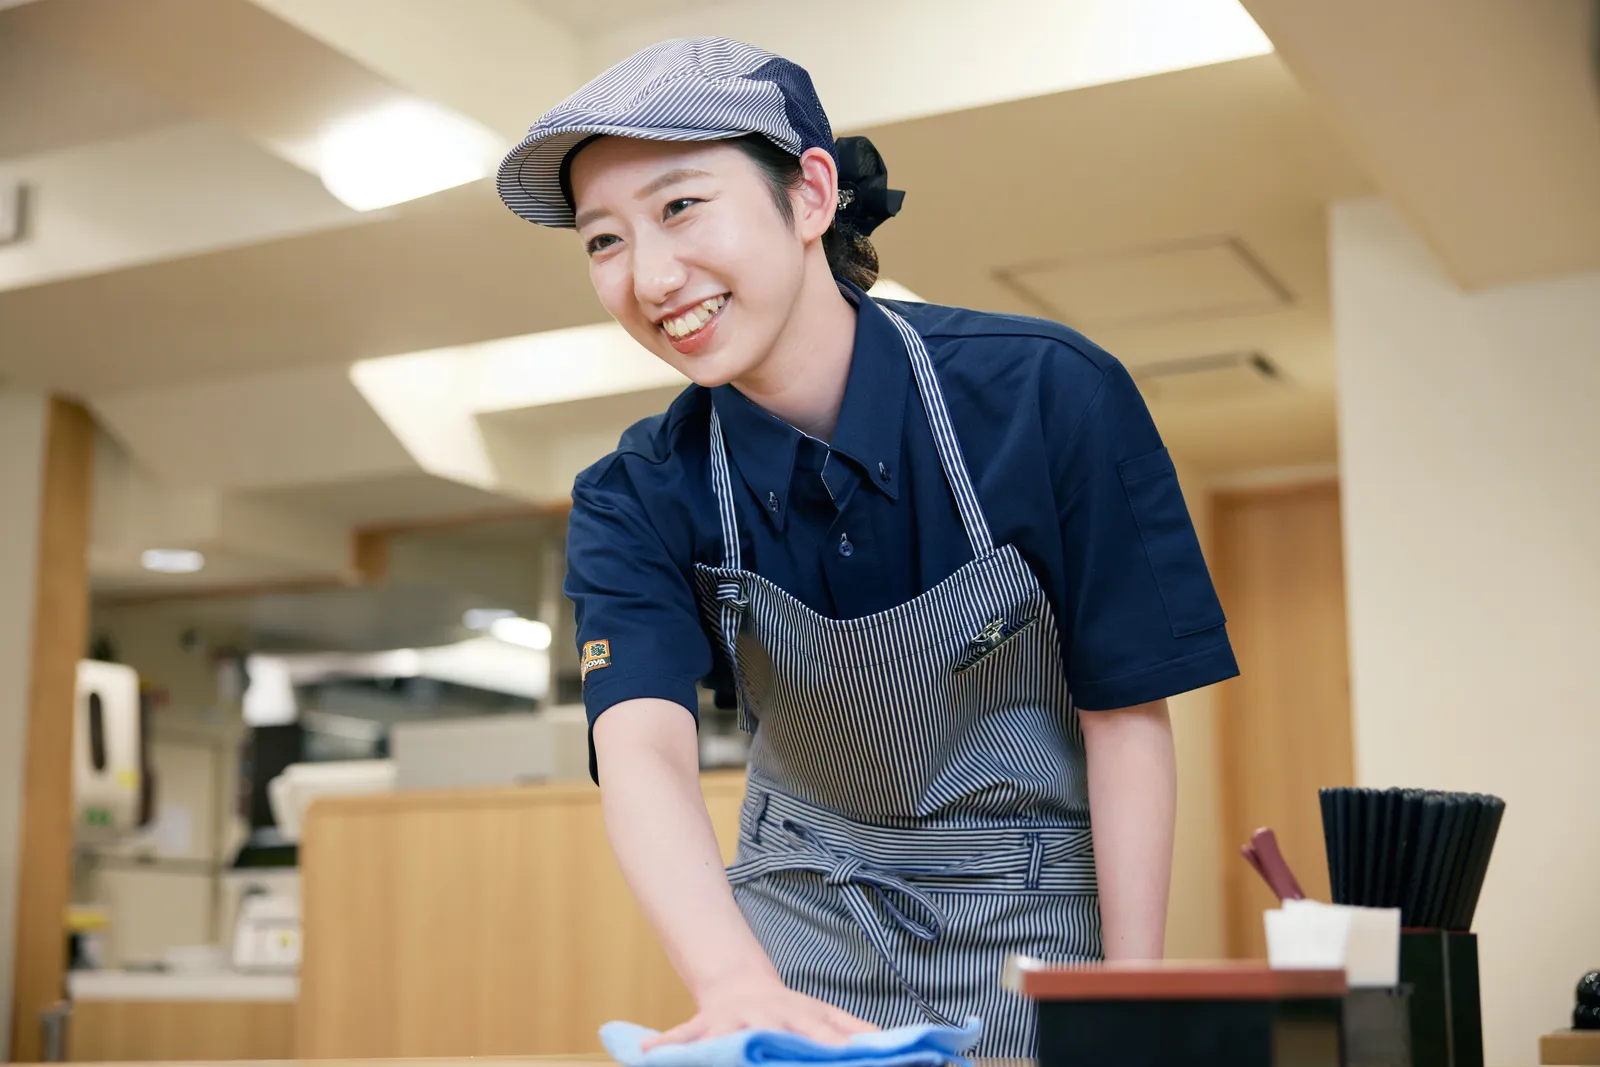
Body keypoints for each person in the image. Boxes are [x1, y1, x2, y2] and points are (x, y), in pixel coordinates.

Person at [495, 37, 1239, 1058]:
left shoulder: (1044, 395)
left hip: (1038, 931)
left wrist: (1128, 1001)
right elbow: (644, 751)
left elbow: (1124, 717)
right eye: (603, 240)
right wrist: (736, 987)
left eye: (679, 207)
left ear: (808, 195)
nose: (652, 276)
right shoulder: (637, 494)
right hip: (795, 944)